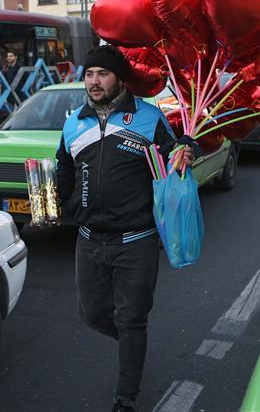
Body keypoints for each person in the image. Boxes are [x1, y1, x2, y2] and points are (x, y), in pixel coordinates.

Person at [56, 45, 194, 412]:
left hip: (136, 241)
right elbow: (63, 171)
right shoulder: (74, 123)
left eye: (102, 74)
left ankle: (126, 397)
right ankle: (134, 346)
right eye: (89, 74)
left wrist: (184, 154)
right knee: (93, 314)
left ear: (119, 78)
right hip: (88, 241)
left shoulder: (148, 118)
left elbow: (173, 167)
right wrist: (65, 207)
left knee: (132, 318)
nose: (94, 81)